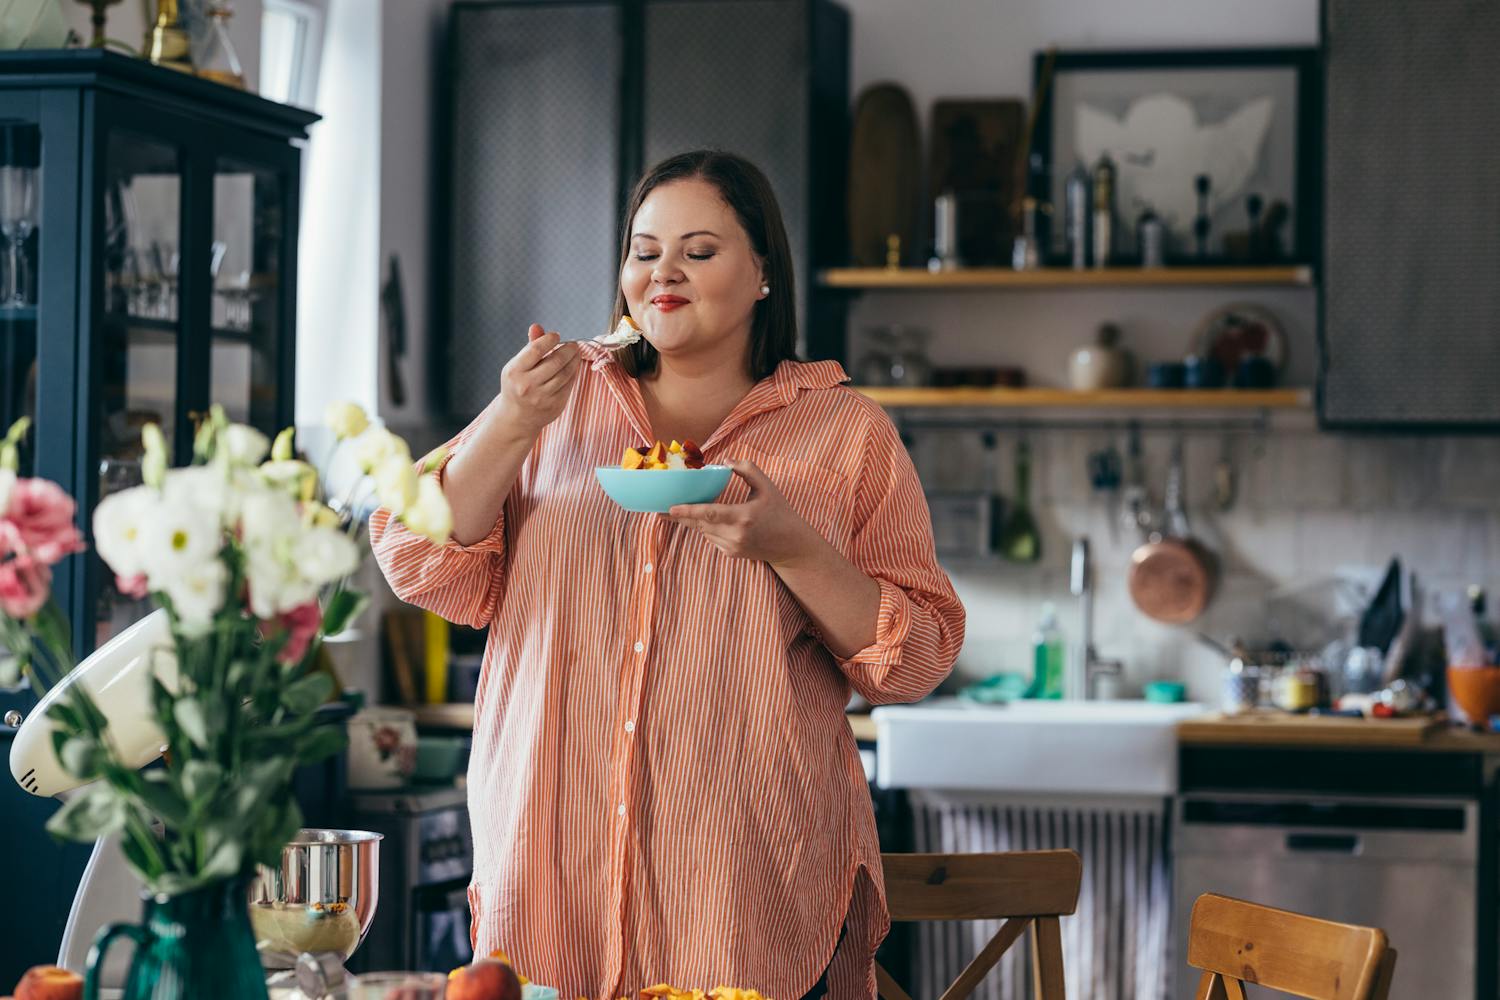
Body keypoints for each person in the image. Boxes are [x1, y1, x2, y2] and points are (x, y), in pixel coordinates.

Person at [371, 149, 964, 999]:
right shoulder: (556, 403)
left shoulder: (844, 435)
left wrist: (792, 545)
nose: (664, 274)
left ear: (763, 271)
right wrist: (509, 421)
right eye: (645, 252)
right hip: (549, 861)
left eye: (699, 250)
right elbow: (417, 558)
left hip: (740, 883)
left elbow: (919, 656)